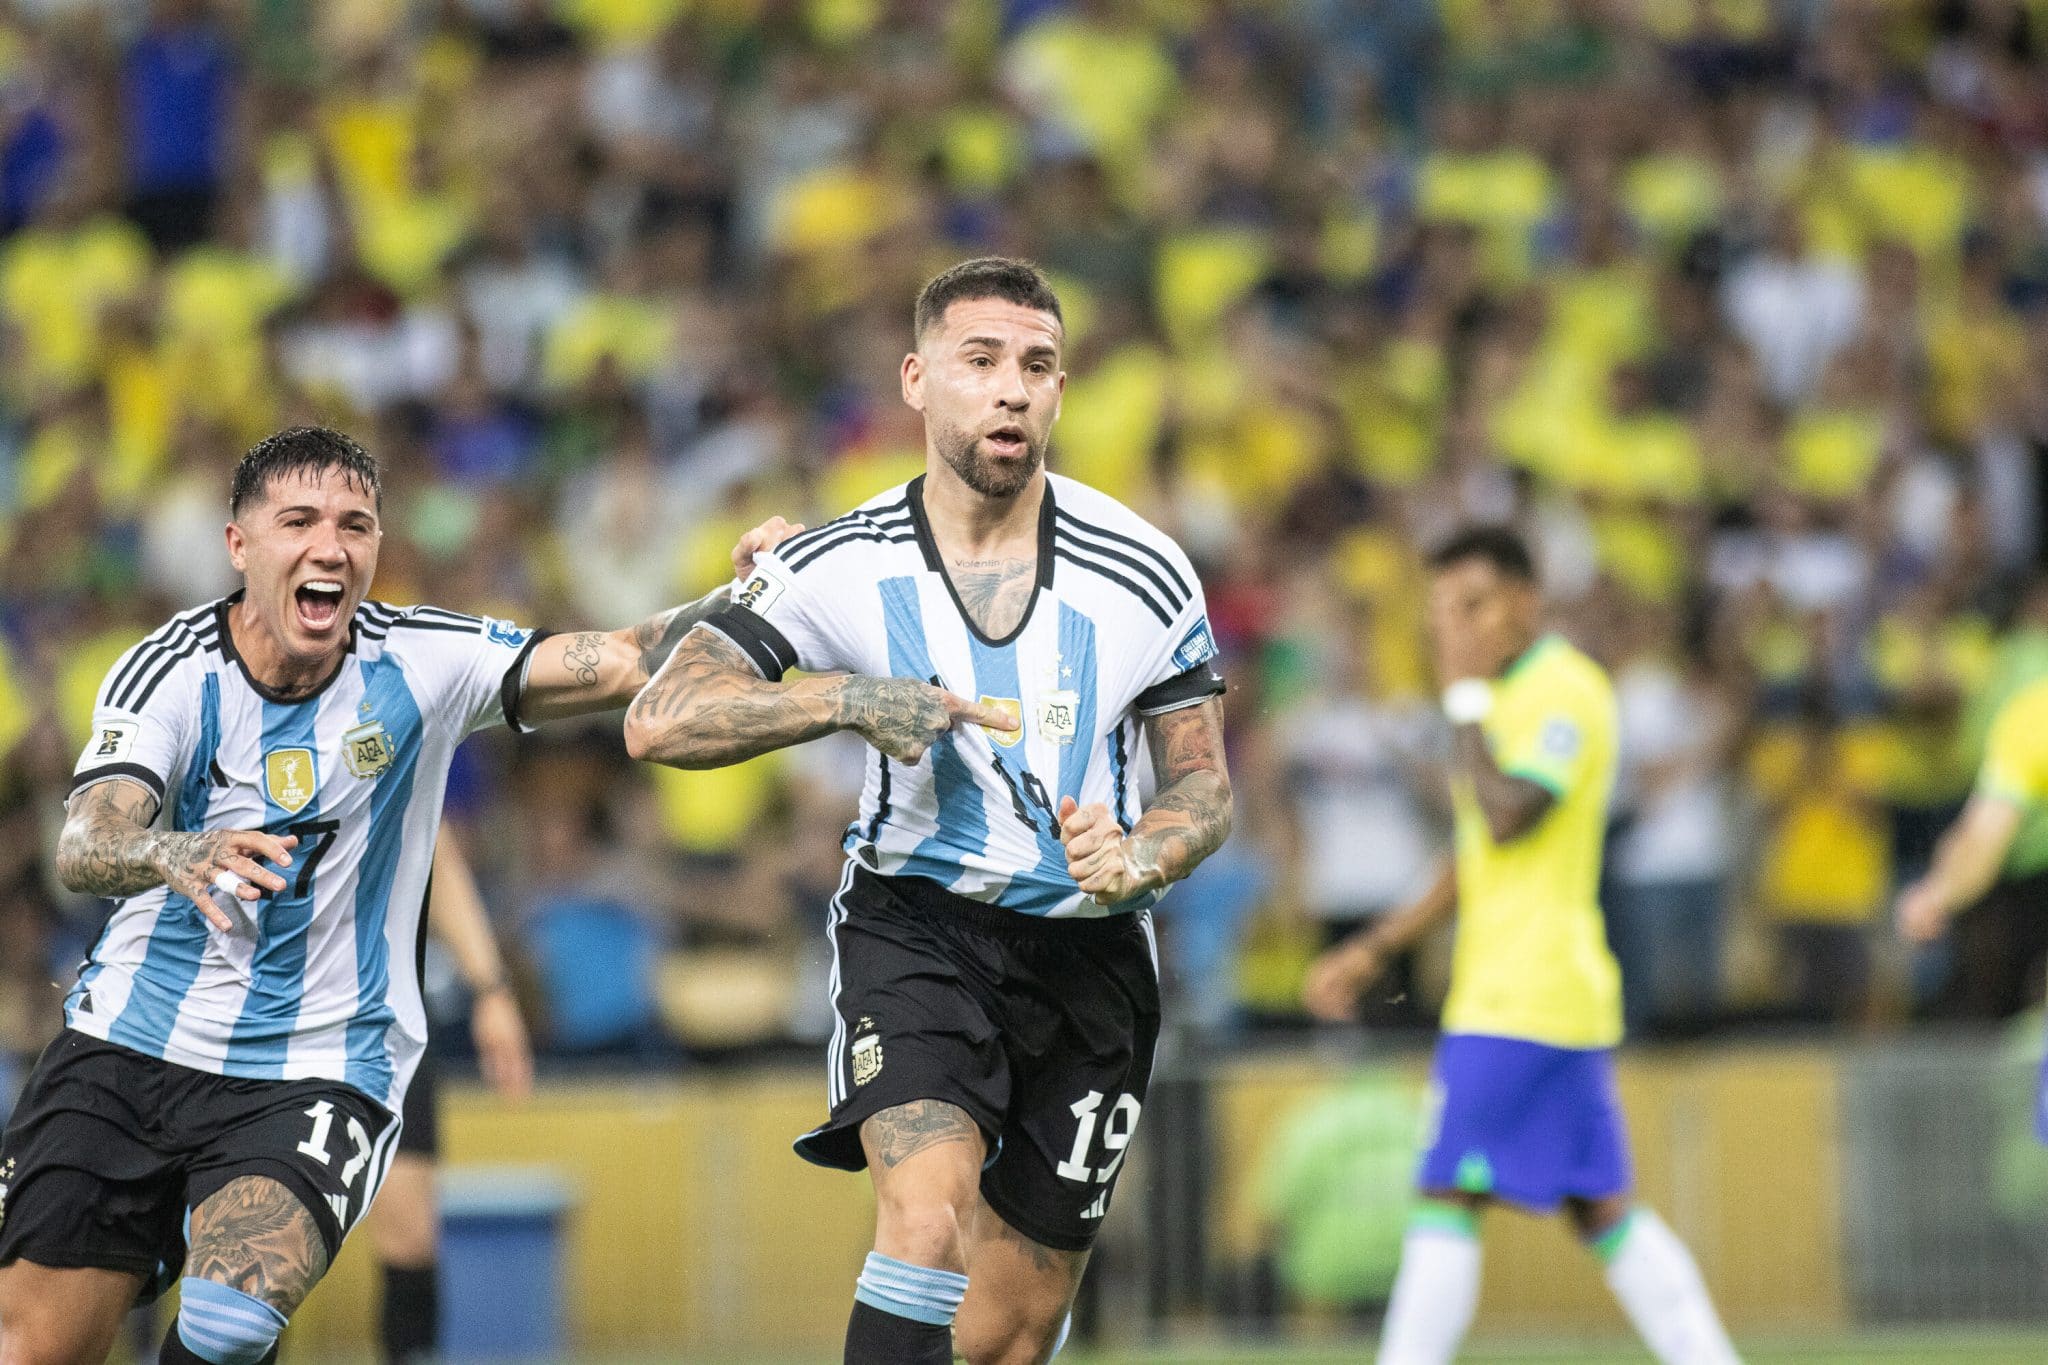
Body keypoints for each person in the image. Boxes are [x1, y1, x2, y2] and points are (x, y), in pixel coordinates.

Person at [0, 425, 793, 1365]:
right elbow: (87, 841)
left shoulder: (422, 660)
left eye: (355, 523)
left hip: (319, 1061)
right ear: (238, 545)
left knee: (233, 1319)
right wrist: (179, 848)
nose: (330, 544)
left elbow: (621, 655)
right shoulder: (171, 670)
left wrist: (750, 597)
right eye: (298, 520)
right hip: (128, 1045)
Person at [624, 257, 1234, 1365]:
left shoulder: (1145, 571)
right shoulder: (835, 562)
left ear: (1060, 391)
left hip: (1091, 960)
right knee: (924, 1217)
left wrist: (1146, 851)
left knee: (1008, 1330)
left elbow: (1203, 783)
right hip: (920, 927)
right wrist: (848, 700)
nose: (1011, 389)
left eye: (1037, 367)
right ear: (916, 380)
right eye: (981, 361)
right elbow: (662, 718)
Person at [1303, 526, 1740, 1365]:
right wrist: (1376, 946)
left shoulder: (1564, 692)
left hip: (1522, 997)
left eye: (1473, 605)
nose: (1453, 629)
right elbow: (1471, 855)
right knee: (1603, 1210)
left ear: (1526, 601)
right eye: (1440, 611)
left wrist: (1463, 703)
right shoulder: (1508, 698)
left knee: (1443, 1194)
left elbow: (1506, 819)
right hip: (1538, 996)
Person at [370, 827, 533, 1365]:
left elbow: (431, 841)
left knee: (411, 1233)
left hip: (385, 1008)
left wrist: (489, 989)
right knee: (252, 1255)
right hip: (256, 1004)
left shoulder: (394, 741)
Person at [1899, 674, 2048, 1111]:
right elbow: (1981, 841)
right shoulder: (2034, 719)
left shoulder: (2035, 715)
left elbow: (1980, 842)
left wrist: (1938, 890)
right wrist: (1939, 890)